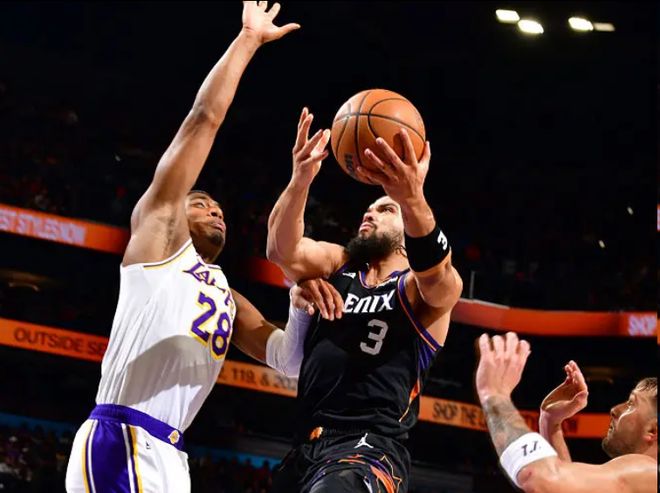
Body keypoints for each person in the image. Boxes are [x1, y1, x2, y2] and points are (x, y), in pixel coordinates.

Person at [64, 3, 338, 492]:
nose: (215, 211)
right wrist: (248, 40)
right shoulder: (158, 240)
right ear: (175, 212)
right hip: (124, 436)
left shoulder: (225, 295)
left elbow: (289, 361)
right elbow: (203, 120)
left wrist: (298, 305)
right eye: (201, 203)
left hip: (171, 453)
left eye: (219, 208)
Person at [266, 108, 463, 492]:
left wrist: (412, 199)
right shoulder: (340, 264)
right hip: (305, 446)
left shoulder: (415, 290)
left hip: (370, 447)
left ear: (408, 232)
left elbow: (440, 280)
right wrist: (300, 179)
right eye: (367, 211)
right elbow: (280, 250)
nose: (369, 215)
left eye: (385, 209)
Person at [475, 331, 657, 493]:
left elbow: (537, 478)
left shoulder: (648, 472)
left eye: (631, 404)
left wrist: (495, 395)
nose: (615, 409)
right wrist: (550, 423)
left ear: (654, 430)